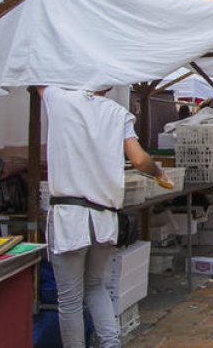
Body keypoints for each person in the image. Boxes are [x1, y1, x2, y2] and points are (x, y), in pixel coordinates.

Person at [40, 85, 170, 348]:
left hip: (70, 218)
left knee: (70, 299)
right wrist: (158, 173)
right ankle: (111, 344)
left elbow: (38, 77)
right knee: (95, 286)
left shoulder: (60, 99)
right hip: (103, 219)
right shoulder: (117, 112)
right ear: (109, 85)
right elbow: (139, 160)